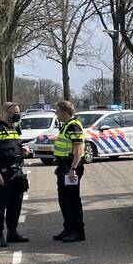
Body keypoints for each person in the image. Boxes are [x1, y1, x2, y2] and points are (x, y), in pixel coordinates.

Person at [0, 102, 31, 248]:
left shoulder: (16, 128)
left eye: (18, 112)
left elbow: (15, 145)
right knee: (1, 204)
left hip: (17, 172)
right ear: (6, 112)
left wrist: (23, 150)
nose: (17, 115)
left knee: (16, 204)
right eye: (15, 112)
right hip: (3, 172)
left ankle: (13, 232)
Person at [52, 100, 85, 242]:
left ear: (65, 112)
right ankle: (68, 228)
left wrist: (73, 169)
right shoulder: (66, 126)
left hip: (70, 168)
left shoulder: (74, 127)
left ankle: (78, 231)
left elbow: (78, 149)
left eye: (58, 111)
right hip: (64, 167)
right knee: (64, 200)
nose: (56, 114)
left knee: (72, 200)